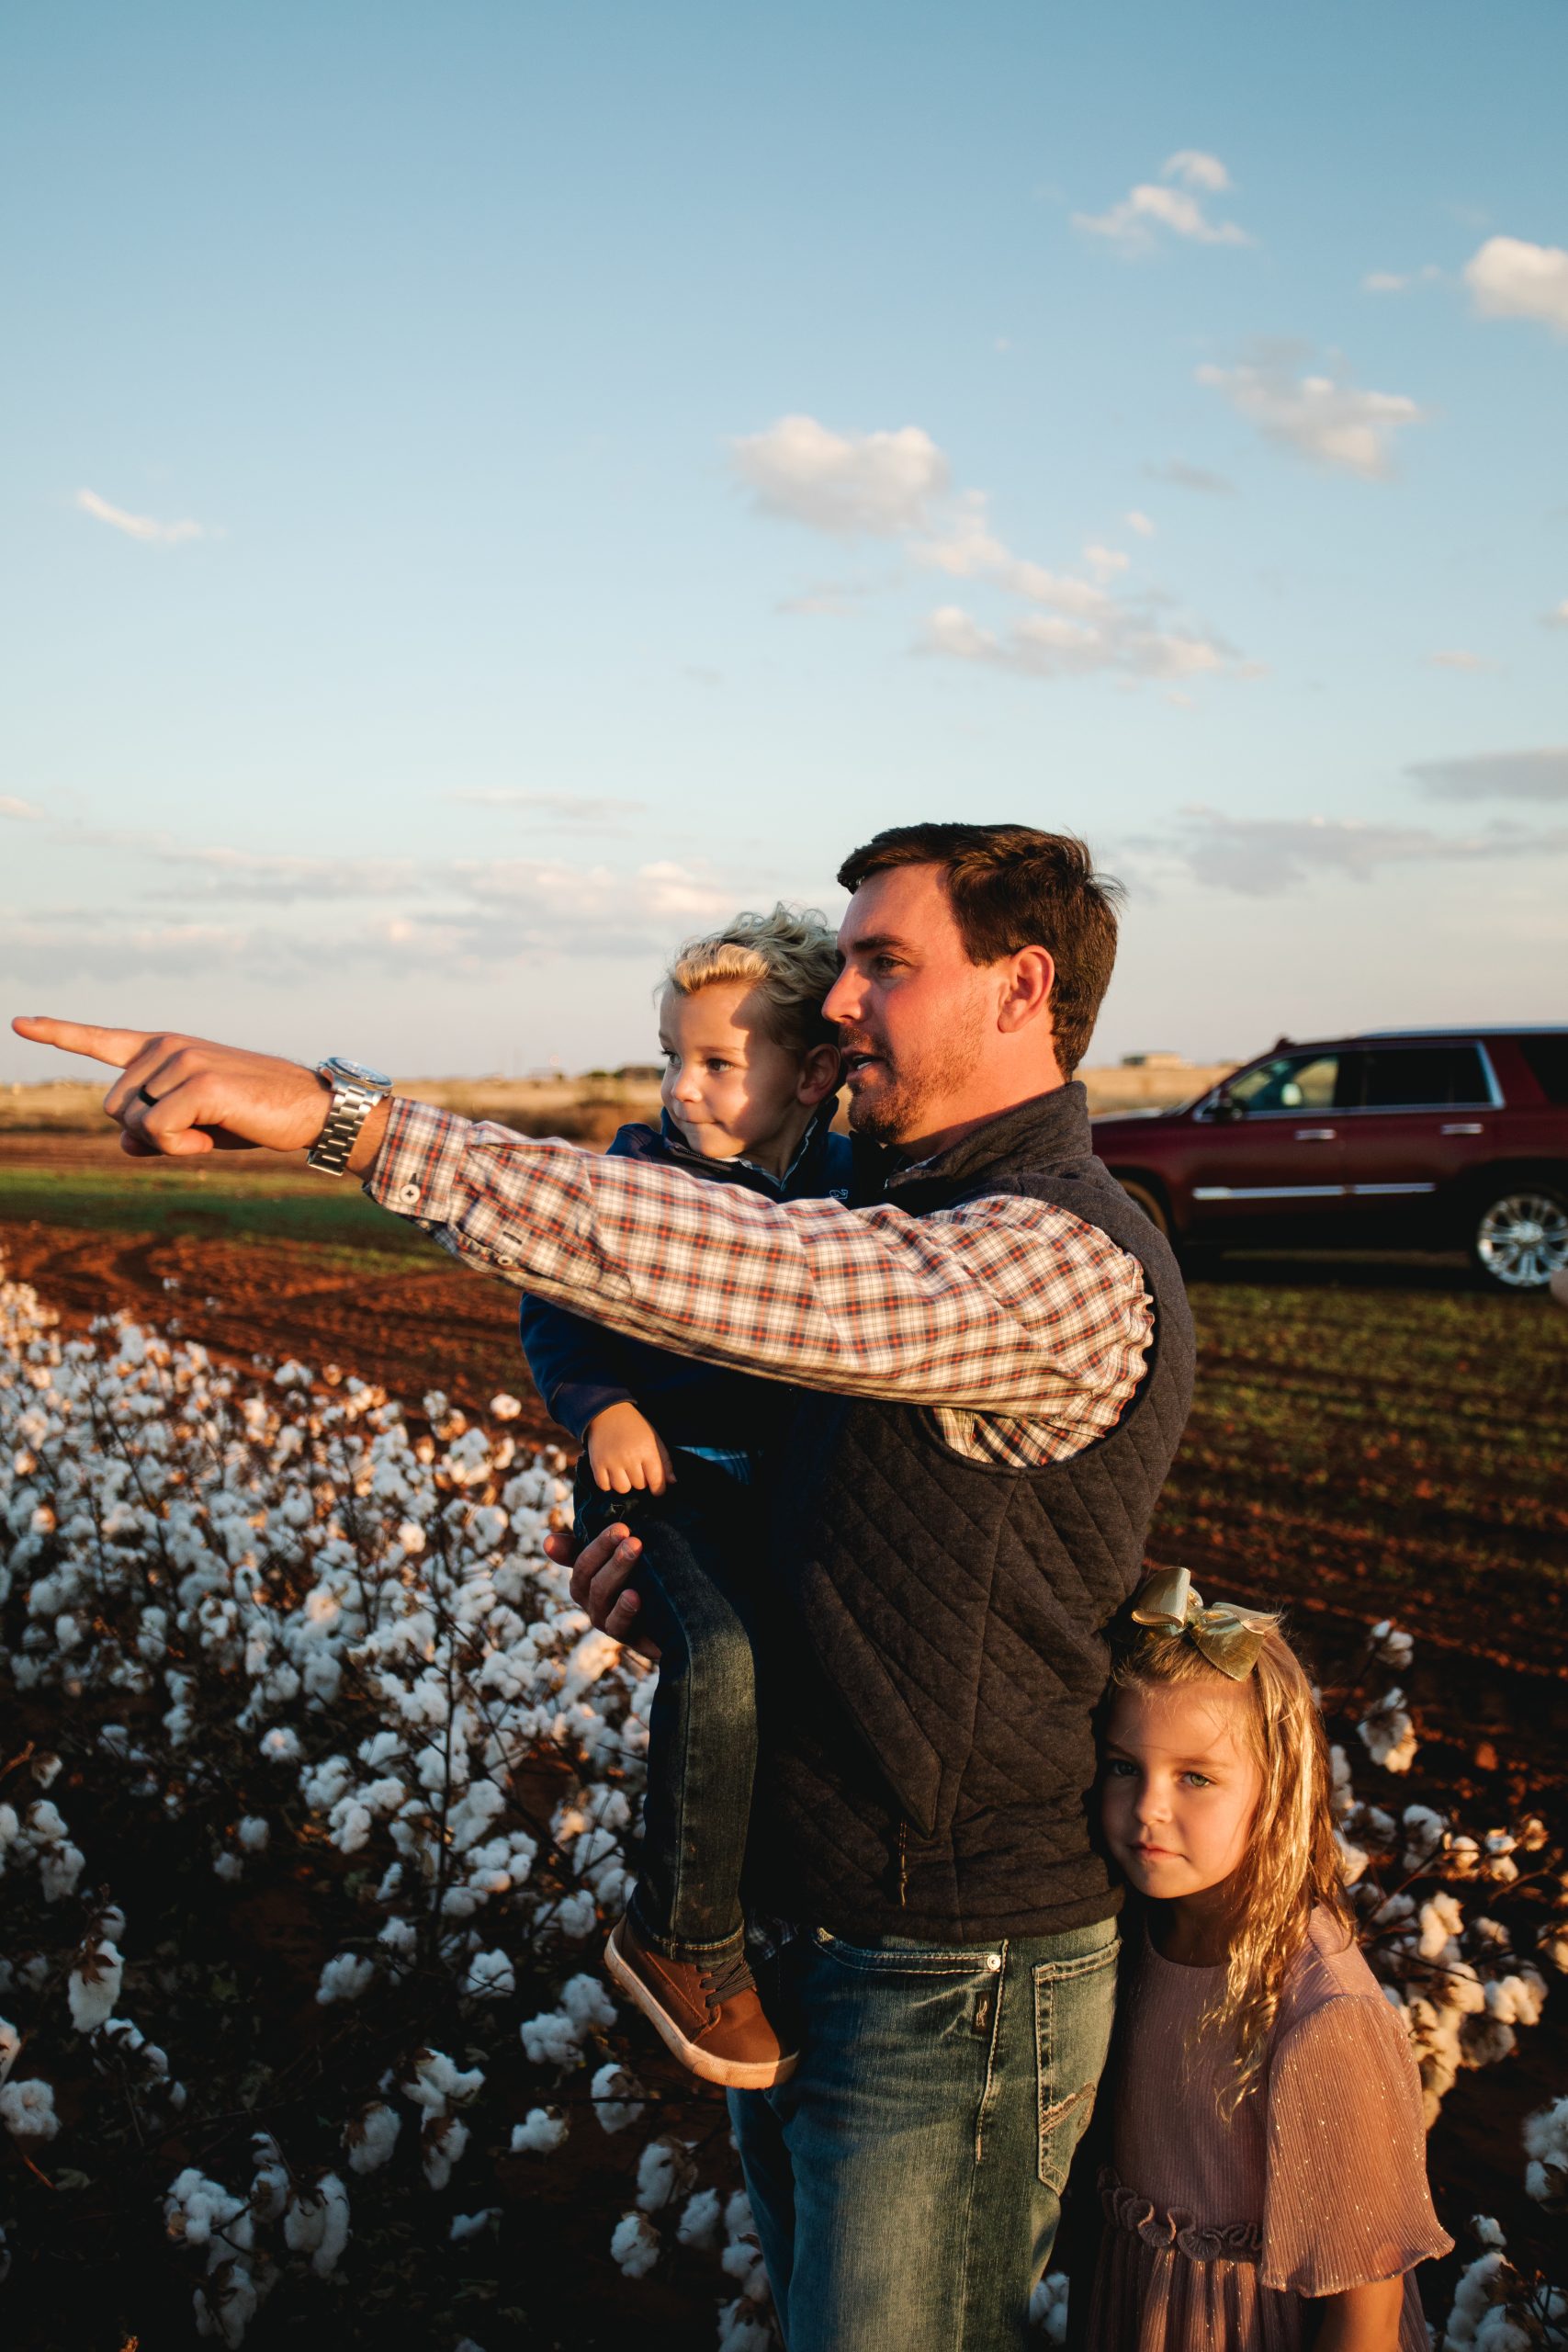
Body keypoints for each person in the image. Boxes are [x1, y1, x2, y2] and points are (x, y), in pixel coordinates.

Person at [13, 820, 1196, 2352]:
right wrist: (686, 1594)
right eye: (839, 965)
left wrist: (343, 1118)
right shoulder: (878, 1199)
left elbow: (734, 1270)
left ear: (1021, 986)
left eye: (882, 967)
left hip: (951, 1973)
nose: (836, 1004)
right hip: (812, 1922)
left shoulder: (1057, 1258)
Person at [518, 906, 850, 2091]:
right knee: (713, 1652)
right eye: (671, 1055)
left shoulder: (846, 1186)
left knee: (783, 1676)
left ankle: (764, 1913)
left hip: (772, 1494)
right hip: (650, 1480)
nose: (681, 1086)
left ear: (813, 1074)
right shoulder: (636, 1172)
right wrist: (603, 1403)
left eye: (716, 1061)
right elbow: (554, 1304)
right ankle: (679, 1929)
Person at [1089, 1565, 1450, 2352]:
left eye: (1195, 1777)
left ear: (1277, 1787)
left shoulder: (1323, 2016)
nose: (1149, 1806)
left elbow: (1364, 2319)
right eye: (1124, 1766)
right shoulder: (1132, 1936)